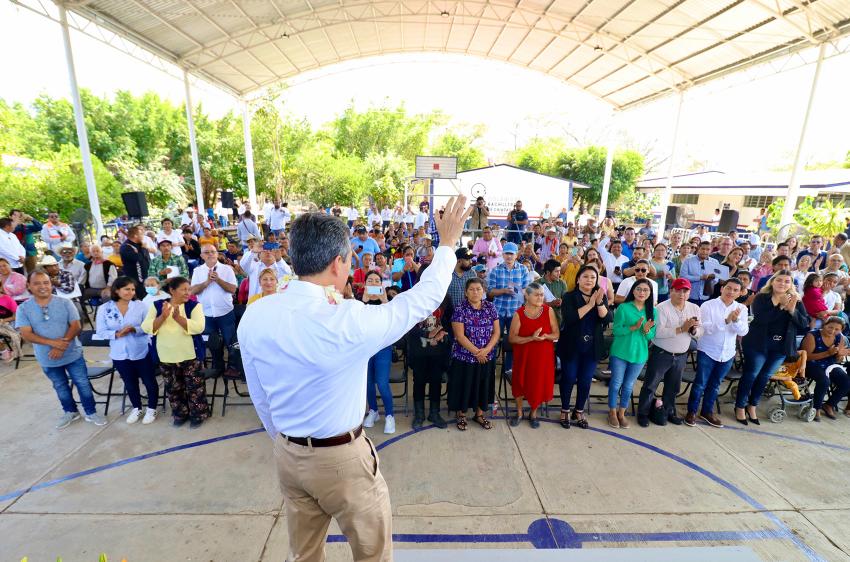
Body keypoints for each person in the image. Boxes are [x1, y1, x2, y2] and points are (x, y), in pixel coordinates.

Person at [238, 197, 470, 562]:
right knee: (372, 554)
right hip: (341, 460)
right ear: (337, 263)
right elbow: (420, 301)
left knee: (304, 554)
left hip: (288, 453)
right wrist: (448, 244)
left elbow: (260, 396)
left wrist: (287, 441)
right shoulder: (348, 319)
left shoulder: (256, 314)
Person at [17, 270, 106, 428]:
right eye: (37, 283)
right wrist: (53, 343)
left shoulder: (65, 302)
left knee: (82, 383)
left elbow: (76, 326)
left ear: (51, 284)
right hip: (47, 357)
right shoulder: (23, 309)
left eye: (46, 282)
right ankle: (70, 411)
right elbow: (26, 334)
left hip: (72, 353)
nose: (42, 286)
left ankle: (91, 412)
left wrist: (61, 345)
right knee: (60, 386)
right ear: (28, 286)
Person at [735, 271, 809, 425]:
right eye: (779, 280)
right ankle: (740, 406)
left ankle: (752, 405)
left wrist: (792, 310)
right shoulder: (762, 297)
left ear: (791, 284)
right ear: (772, 281)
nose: (782, 283)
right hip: (757, 344)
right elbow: (762, 319)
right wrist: (780, 306)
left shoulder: (796, 300)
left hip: (780, 347)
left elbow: (804, 324)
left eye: (787, 281)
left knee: (765, 376)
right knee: (751, 375)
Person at [142, 276, 209, 428]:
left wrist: (178, 318)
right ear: (172, 290)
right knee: (173, 389)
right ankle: (180, 414)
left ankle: (197, 415)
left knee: (194, 388)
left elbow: (199, 327)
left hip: (190, 355)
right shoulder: (158, 306)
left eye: (189, 289)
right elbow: (147, 327)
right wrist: (163, 316)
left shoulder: (194, 306)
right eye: (183, 289)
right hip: (166, 355)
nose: (188, 293)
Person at [684, 279, 749, 428]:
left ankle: (706, 412)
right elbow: (705, 328)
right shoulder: (708, 305)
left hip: (727, 353)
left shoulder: (742, 308)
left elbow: (743, 331)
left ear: (740, 293)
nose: (731, 292)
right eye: (728, 288)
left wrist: (735, 320)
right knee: (700, 383)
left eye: (735, 290)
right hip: (708, 350)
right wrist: (726, 321)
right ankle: (691, 411)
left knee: (715, 385)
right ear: (721, 289)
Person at [637, 278, 702, 427]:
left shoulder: (694, 308)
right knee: (650, 385)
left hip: (681, 355)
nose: (682, 294)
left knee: (673, 387)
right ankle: (643, 413)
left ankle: (669, 411)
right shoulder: (661, 308)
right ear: (671, 291)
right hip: (661, 353)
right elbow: (658, 333)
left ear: (689, 292)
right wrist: (682, 328)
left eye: (685, 291)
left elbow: (701, 330)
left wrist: (693, 330)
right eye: (678, 290)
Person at [96, 276, 158, 425]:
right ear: (117, 290)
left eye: (133, 289)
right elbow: (101, 331)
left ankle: (151, 408)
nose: (131, 292)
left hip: (141, 350)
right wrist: (116, 334)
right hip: (119, 353)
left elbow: (149, 327)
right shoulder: (104, 308)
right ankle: (137, 407)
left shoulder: (140, 306)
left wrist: (134, 329)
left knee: (149, 381)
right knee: (130, 383)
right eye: (126, 289)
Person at [557, 265, 610, 429]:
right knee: (569, 378)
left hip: (592, 346)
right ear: (578, 279)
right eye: (585, 276)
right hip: (571, 345)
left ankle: (579, 411)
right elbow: (570, 318)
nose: (589, 280)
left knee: (586, 380)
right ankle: (565, 409)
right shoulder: (569, 296)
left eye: (593, 277)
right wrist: (590, 304)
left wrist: (598, 302)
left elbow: (606, 318)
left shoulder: (600, 295)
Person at [450, 277, 500, 431]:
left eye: (478, 289)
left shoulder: (490, 307)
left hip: (487, 356)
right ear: (466, 292)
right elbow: (460, 336)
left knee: (483, 385)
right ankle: (462, 414)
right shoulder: (460, 309)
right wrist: (478, 353)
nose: (475, 292)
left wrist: (487, 350)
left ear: (483, 291)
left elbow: (496, 332)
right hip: (464, 357)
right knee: (464, 386)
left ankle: (479, 415)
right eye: (471, 289)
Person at [508, 283, 559, 428]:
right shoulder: (519, 313)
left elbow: (556, 334)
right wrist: (531, 338)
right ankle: (519, 412)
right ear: (527, 296)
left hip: (543, 356)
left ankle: (533, 413)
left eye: (542, 295)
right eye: (536, 295)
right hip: (523, 355)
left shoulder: (548, 311)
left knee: (538, 383)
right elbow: (512, 338)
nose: (540, 297)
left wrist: (546, 336)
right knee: (519, 382)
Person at [608, 278, 655, 429]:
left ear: (650, 293)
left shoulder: (653, 311)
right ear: (633, 291)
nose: (642, 292)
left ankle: (622, 413)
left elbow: (651, 335)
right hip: (620, 352)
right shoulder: (624, 308)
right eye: (639, 289)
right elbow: (616, 330)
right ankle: (612, 412)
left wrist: (646, 330)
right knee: (616, 383)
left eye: (645, 290)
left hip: (639, 354)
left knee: (628, 385)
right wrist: (632, 328)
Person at [191, 244, 238, 376]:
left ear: (217, 254)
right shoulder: (197, 271)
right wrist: (207, 282)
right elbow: (193, 291)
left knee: (230, 341)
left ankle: (233, 366)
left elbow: (233, 289)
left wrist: (218, 280)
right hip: (206, 313)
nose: (210, 254)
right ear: (202, 256)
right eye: (206, 252)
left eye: (213, 251)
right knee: (213, 342)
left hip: (225, 312)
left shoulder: (227, 269)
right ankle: (218, 366)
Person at [360, 271, 397, 434]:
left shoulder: (389, 302)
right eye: (370, 280)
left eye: (377, 281)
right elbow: (355, 323)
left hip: (383, 347)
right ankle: (373, 411)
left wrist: (385, 302)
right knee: (367, 383)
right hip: (365, 348)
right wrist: (364, 301)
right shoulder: (358, 302)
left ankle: (389, 415)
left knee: (382, 383)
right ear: (365, 284)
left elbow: (393, 324)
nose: (374, 283)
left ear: (382, 284)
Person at [487, 242, 530, 372]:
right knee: (493, 341)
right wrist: (504, 291)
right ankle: (490, 369)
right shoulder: (496, 270)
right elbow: (490, 292)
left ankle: (509, 370)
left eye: (511, 254)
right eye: (506, 253)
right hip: (498, 312)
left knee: (513, 342)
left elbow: (527, 289)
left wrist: (517, 291)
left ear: (516, 255)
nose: (509, 256)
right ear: (503, 255)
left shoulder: (523, 269)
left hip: (515, 312)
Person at [800, 317, 850, 421]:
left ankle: (829, 405)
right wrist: (828, 353)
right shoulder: (812, 335)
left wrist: (839, 355)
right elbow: (806, 357)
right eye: (830, 327)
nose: (832, 331)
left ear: (841, 330)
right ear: (824, 325)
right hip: (810, 365)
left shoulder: (839, 337)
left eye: (837, 329)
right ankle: (816, 408)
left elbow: (837, 359)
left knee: (846, 382)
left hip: (829, 365)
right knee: (824, 381)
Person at [680, 241, 722, 306]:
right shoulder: (688, 261)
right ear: (698, 249)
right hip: (689, 297)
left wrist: (711, 278)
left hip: (706, 298)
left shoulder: (715, 262)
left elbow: (717, 279)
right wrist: (700, 278)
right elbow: (683, 277)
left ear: (711, 250)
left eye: (707, 249)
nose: (705, 251)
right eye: (703, 249)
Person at [120, 225, 151, 299]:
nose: (143, 236)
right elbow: (137, 258)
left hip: (146, 276)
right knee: (141, 298)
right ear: (135, 236)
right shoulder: (126, 247)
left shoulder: (140, 244)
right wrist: (143, 249)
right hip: (136, 279)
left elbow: (146, 258)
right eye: (141, 234)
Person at [0, 284, 21, 362]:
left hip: (11, 322)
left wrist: (3, 320)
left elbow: (17, 316)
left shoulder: (7, 299)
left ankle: (4, 351)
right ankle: (3, 350)